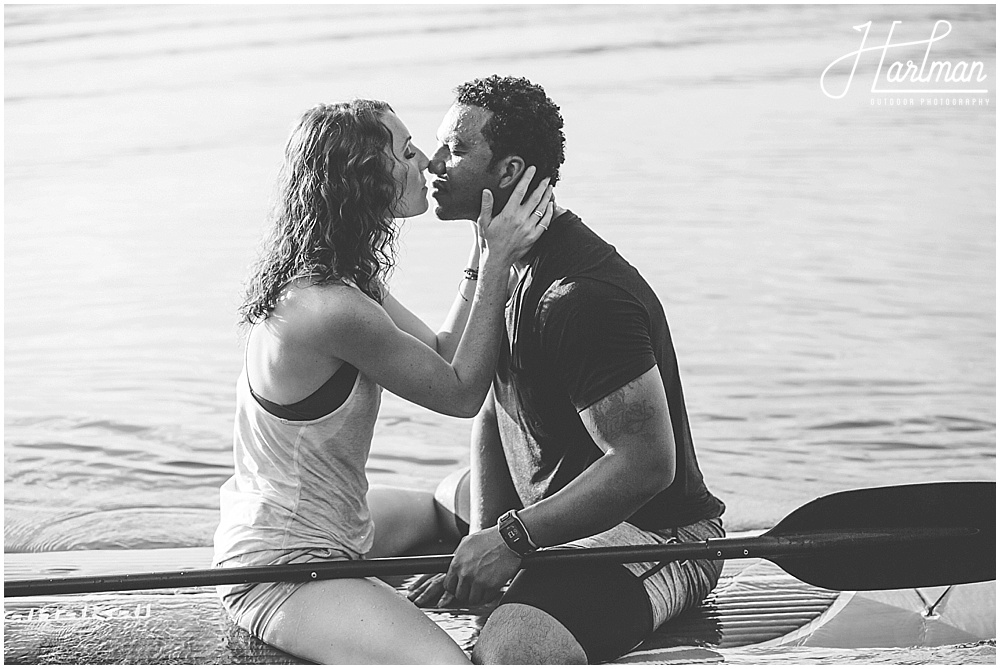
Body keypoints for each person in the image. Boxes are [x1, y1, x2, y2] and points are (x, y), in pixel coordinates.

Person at [212, 99, 554, 664]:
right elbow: (463, 392)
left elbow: (442, 351)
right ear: (363, 179)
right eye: (405, 150)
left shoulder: (345, 277)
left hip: (341, 525)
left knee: (456, 505)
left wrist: (479, 246)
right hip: (286, 570)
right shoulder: (327, 309)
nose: (426, 160)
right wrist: (499, 262)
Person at [407, 76, 727, 664]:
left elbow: (648, 465)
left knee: (507, 651)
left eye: (453, 149)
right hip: (552, 522)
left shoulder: (580, 298)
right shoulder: (504, 261)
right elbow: (491, 404)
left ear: (507, 173)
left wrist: (513, 540)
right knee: (432, 501)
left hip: (659, 536)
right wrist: (490, 540)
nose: (432, 163)